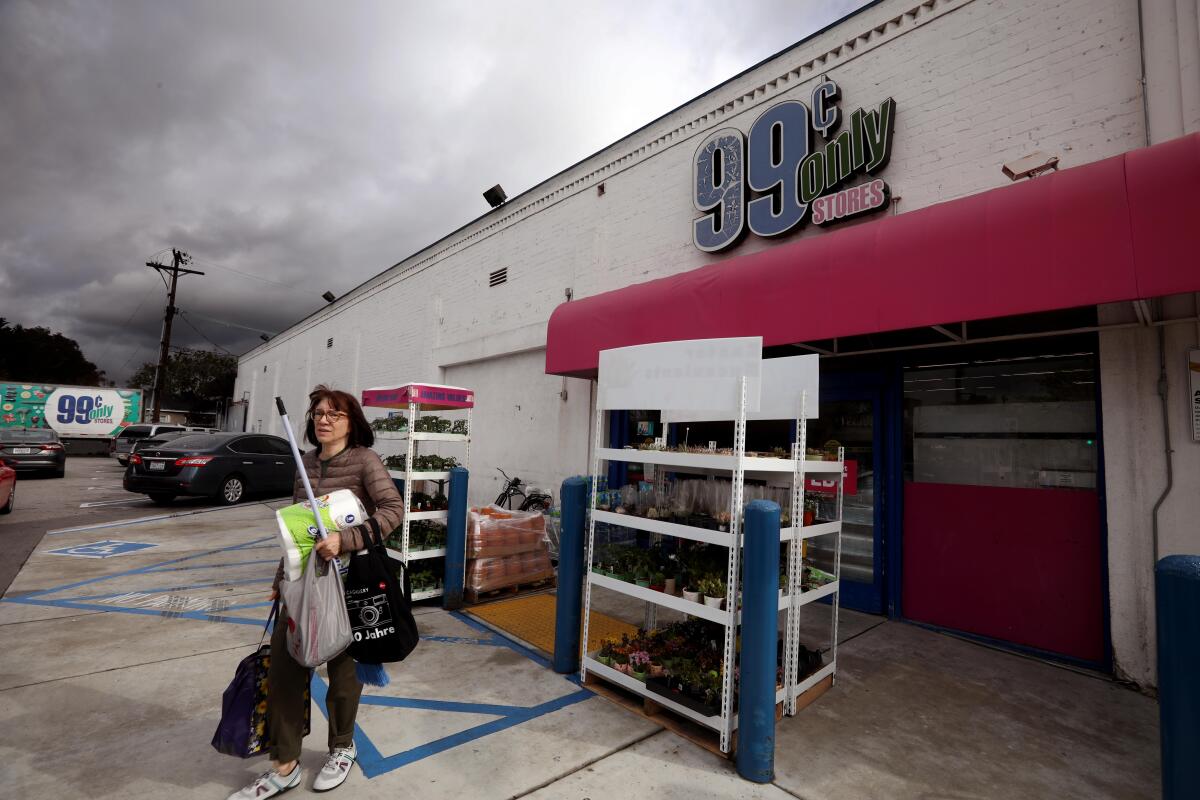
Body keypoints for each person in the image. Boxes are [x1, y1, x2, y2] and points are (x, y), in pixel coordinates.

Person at [227, 385, 405, 799]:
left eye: (334, 414)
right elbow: (295, 534)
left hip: (348, 586)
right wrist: (279, 582)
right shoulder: (304, 465)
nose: (323, 420)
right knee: (286, 670)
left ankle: (342, 747)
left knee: (344, 677)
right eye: (318, 414)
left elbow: (394, 509)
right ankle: (284, 764)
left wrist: (346, 540)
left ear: (352, 422)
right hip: (303, 585)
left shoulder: (365, 461)